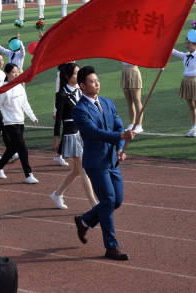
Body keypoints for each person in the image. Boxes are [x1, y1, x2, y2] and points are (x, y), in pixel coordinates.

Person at [71, 66, 136, 261]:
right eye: (92, 81)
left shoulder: (108, 103)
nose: (97, 84)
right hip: (96, 162)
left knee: (117, 201)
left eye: (97, 80)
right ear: (83, 86)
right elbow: (94, 133)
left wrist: (120, 147)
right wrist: (121, 136)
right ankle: (111, 246)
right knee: (108, 201)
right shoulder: (79, 110)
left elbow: (118, 126)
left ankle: (85, 221)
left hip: (112, 161)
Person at [51, 63, 97, 210]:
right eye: (76, 73)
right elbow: (58, 119)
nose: (78, 75)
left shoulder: (81, 91)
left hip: (82, 132)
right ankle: (94, 203)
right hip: (71, 133)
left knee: (77, 170)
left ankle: (57, 194)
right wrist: (56, 139)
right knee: (84, 169)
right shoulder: (62, 94)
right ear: (67, 76)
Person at [0, 64, 39, 183]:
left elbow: (25, 104)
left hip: (20, 122)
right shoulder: (3, 89)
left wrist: (33, 117)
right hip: (9, 123)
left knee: (12, 148)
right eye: (13, 72)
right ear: (7, 73)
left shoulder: (20, 87)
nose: (16, 74)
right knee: (22, 149)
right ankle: (28, 174)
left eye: (17, 72)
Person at [172, 32, 196, 137]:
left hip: (194, 81)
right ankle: (193, 127)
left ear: (195, 44)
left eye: (189, 43)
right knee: (190, 105)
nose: (187, 45)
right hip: (185, 81)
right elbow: (174, 51)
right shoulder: (185, 55)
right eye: (186, 43)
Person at [120, 62, 143, 133]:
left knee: (137, 101)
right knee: (129, 101)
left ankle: (139, 125)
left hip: (133, 70)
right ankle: (132, 123)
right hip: (124, 71)